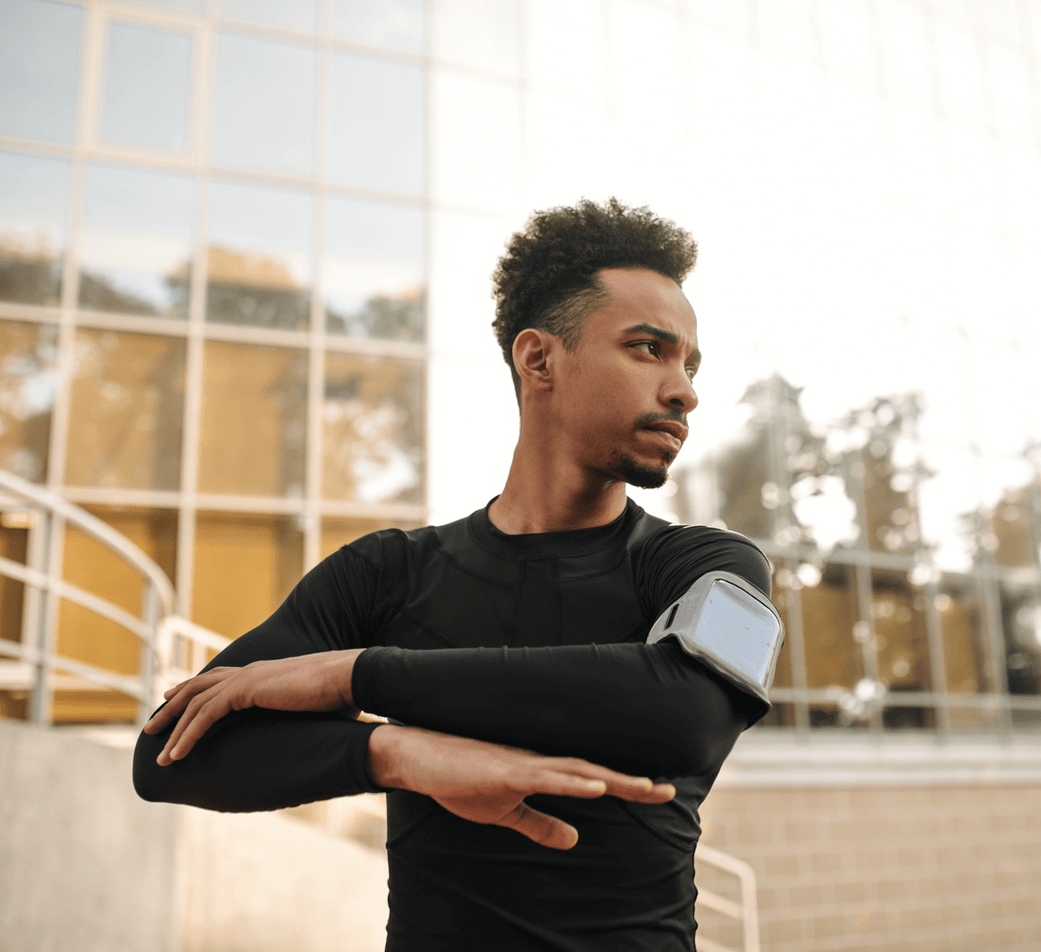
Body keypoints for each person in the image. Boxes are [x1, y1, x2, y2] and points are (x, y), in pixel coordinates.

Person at [133, 198, 780, 952]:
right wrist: (394, 755)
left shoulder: (706, 566)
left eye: (688, 363)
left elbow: (690, 714)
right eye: (647, 349)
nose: (684, 390)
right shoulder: (387, 573)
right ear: (538, 358)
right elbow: (167, 757)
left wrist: (357, 678)